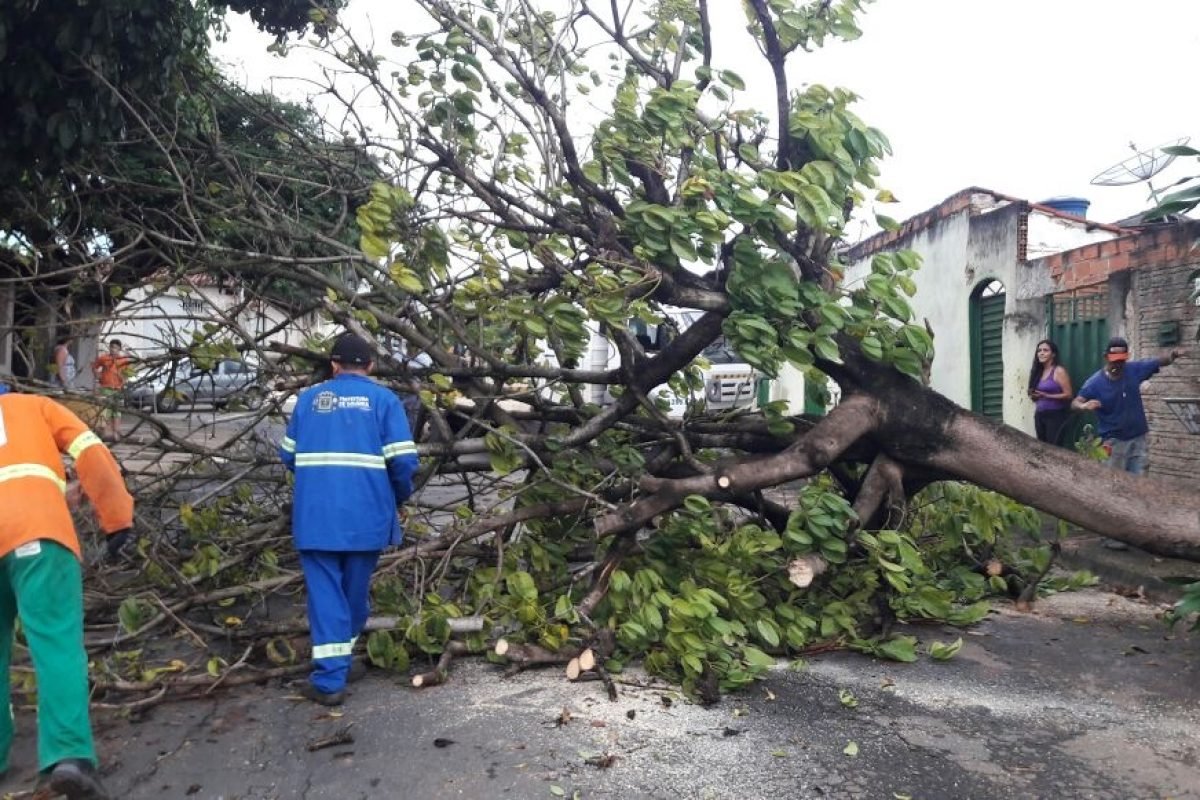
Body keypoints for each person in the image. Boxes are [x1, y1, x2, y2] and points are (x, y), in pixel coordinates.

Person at [0, 380, 134, 799]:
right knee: (56, 644)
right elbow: (91, 450)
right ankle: (68, 757)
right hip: (36, 534)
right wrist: (117, 517)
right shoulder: (35, 406)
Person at [278, 333, 419, 706]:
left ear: (334, 366)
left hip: (317, 517)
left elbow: (288, 455)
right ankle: (336, 667)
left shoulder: (309, 400)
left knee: (326, 597)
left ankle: (330, 678)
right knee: (354, 595)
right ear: (370, 367)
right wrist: (399, 496)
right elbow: (403, 462)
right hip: (366, 516)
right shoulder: (384, 401)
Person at [1073, 337, 1186, 549]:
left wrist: (1173, 354)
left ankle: (1134, 534)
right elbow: (1075, 402)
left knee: (1139, 487)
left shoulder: (1134, 370)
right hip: (1113, 443)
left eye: (1121, 360)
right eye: (1114, 360)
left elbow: (1156, 361)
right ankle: (1111, 535)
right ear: (1106, 357)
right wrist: (1084, 406)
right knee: (1114, 489)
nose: (1118, 364)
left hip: (1138, 439)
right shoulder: (1095, 382)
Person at [1027, 339, 1073, 446]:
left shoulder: (1058, 371)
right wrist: (1033, 395)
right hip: (1039, 415)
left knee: (1054, 449)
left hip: (1055, 416)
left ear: (1053, 354)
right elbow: (1034, 395)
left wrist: (1047, 395)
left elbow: (1069, 394)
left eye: (1045, 350)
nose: (1041, 353)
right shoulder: (1037, 372)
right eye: (1039, 351)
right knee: (1042, 448)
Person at [91, 340, 130, 442]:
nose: (113, 350)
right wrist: (98, 376)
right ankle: (107, 433)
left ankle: (116, 432)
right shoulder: (104, 358)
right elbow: (94, 366)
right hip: (105, 388)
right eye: (112, 347)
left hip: (118, 388)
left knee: (116, 412)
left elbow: (128, 373)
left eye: (116, 348)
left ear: (119, 349)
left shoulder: (123, 360)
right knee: (106, 411)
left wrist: (124, 379)